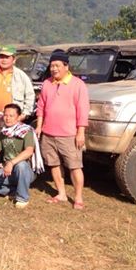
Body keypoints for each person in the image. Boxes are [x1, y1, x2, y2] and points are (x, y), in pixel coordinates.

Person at [35, 49, 90, 209]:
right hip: (49, 133)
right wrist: (39, 126)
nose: (54, 69)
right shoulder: (47, 83)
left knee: (74, 166)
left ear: (66, 66)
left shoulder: (78, 84)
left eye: (57, 66)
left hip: (69, 134)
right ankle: (61, 193)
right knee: (53, 164)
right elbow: (41, 106)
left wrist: (80, 132)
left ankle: (78, 197)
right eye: (52, 66)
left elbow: (83, 110)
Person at [0, 103, 43, 208]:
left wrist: (11, 163)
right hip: (7, 171)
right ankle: (13, 190)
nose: (7, 118)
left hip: (24, 171)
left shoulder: (26, 131)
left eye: (11, 116)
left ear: (19, 117)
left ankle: (22, 198)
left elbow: (29, 151)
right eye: (5, 115)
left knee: (21, 165)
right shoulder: (4, 132)